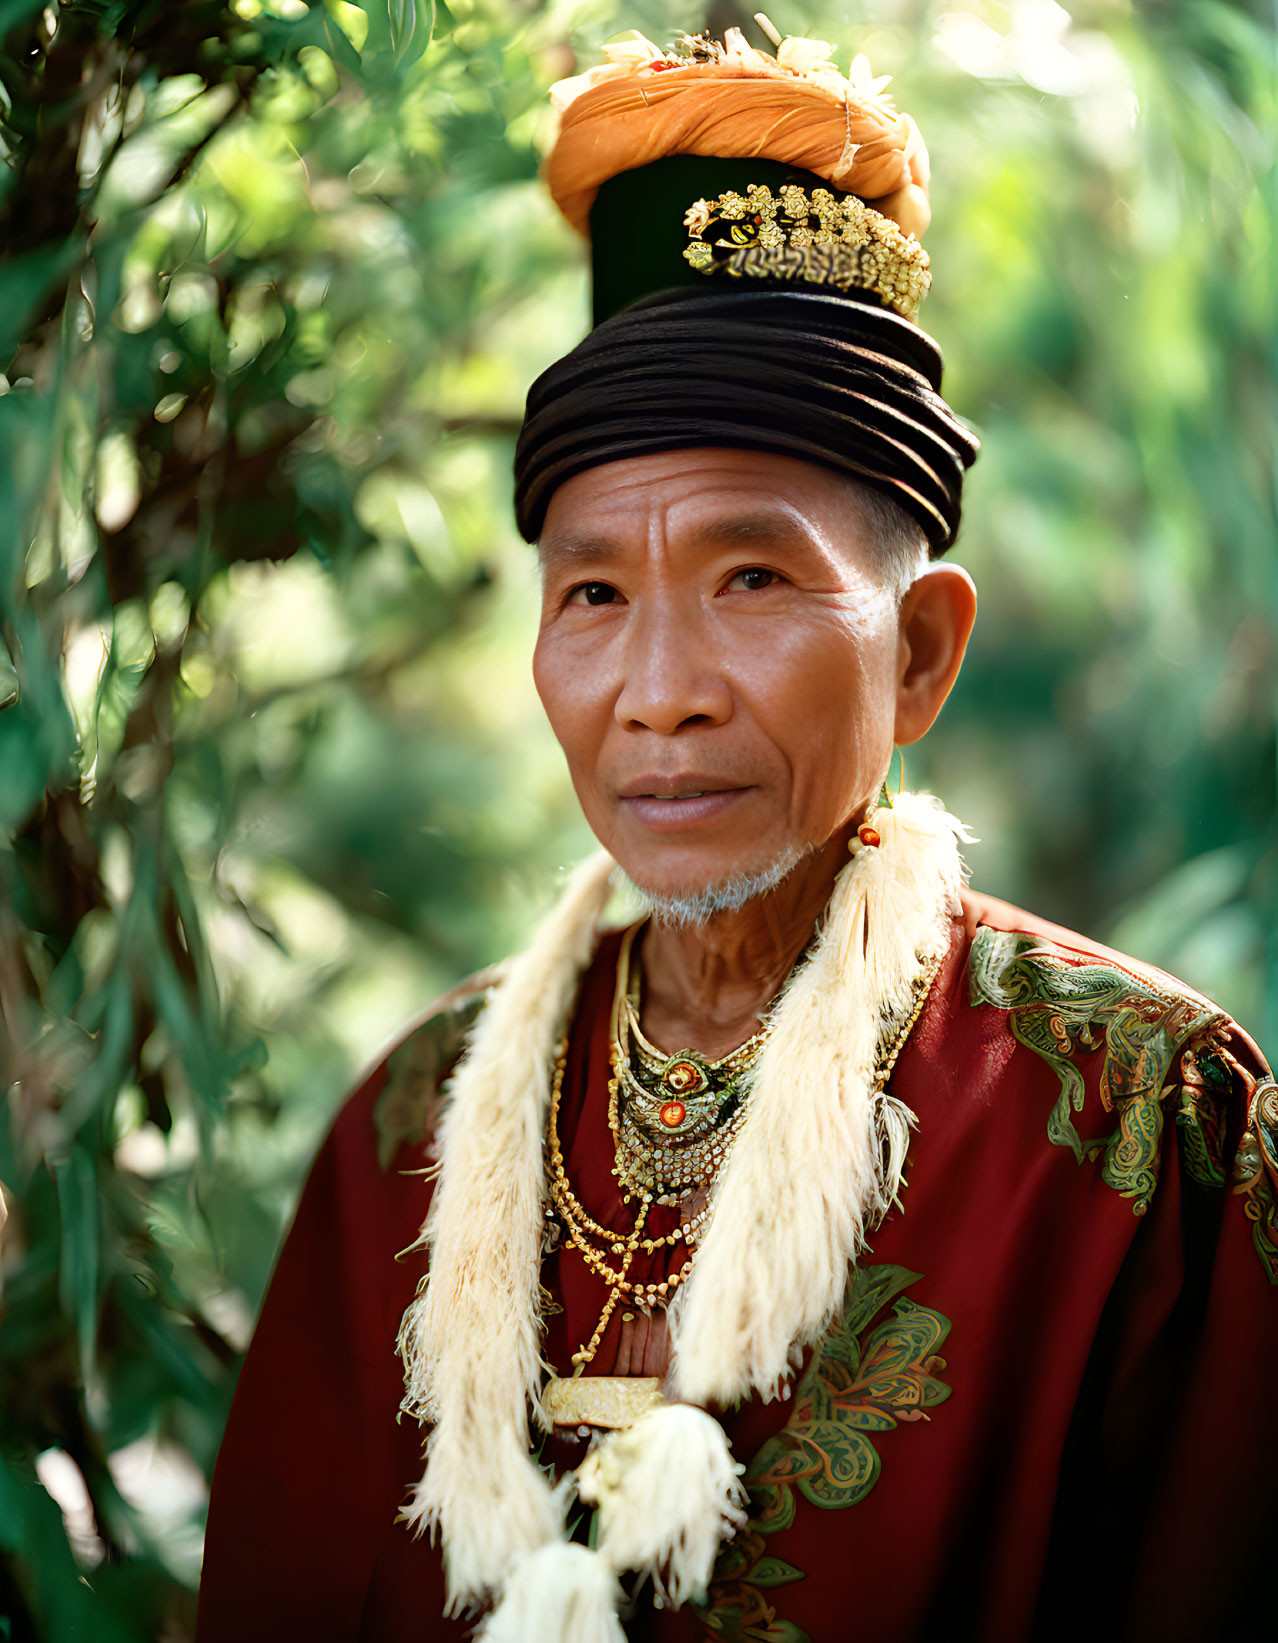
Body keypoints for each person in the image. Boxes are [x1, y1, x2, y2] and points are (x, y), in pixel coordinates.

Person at [196, 23, 1277, 1643]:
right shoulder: (406, 1132)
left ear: (917, 653)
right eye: (592, 596)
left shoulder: (1131, 1124)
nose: (657, 693)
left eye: (752, 579)